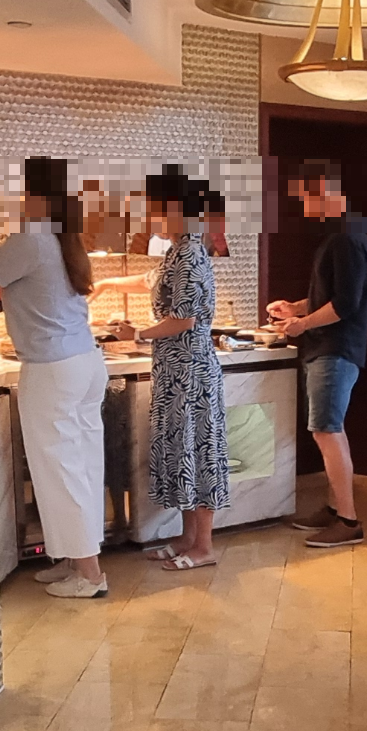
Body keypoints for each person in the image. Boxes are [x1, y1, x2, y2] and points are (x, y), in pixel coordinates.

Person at [0, 156, 107, 600]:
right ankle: (74, 560)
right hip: (84, 362)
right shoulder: (60, 237)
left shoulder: (31, 238)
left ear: (33, 194)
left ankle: (89, 574)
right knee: (82, 465)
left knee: (59, 470)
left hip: (52, 368)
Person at [266, 159, 367, 550]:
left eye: (306, 199)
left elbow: (345, 305)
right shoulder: (340, 235)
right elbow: (330, 295)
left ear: (324, 191)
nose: (305, 208)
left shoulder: (347, 238)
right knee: (327, 429)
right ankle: (333, 508)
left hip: (336, 350)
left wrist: (303, 324)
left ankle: (348, 521)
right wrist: (295, 308)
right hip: (327, 349)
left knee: (327, 430)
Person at [136, 173, 227, 570]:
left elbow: (184, 319)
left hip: (192, 374)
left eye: (154, 208)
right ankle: (188, 538)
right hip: (177, 372)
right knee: (183, 453)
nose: (149, 215)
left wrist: (138, 333)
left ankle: (204, 547)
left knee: (198, 452)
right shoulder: (178, 251)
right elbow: (152, 283)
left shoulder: (190, 252)